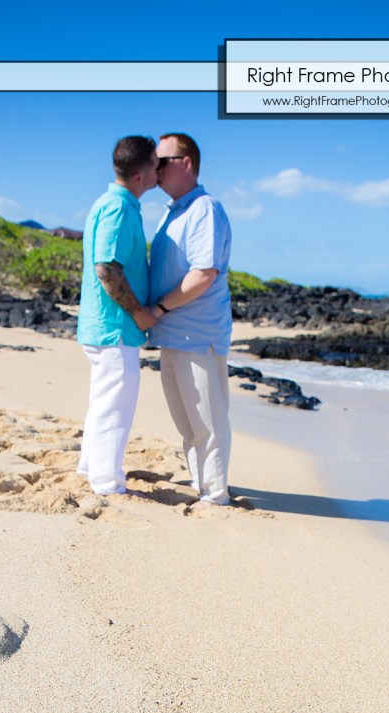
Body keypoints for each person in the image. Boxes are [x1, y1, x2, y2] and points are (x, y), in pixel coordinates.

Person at [148, 133, 233, 507]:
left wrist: (159, 309)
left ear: (186, 163)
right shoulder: (172, 211)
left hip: (197, 334)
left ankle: (215, 494)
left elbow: (203, 274)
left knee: (207, 423)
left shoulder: (205, 208)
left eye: (161, 161)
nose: (155, 168)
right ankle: (202, 484)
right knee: (187, 423)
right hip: (171, 334)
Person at [77, 135, 159, 495]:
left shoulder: (112, 203)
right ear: (141, 174)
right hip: (115, 328)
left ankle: (89, 468)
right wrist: (139, 312)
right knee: (114, 408)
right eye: (157, 165)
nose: (161, 171)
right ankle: (106, 483)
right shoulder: (118, 208)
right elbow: (106, 268)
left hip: (106, 327)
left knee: (103, 403)